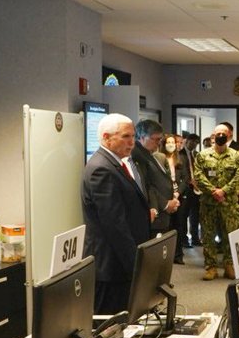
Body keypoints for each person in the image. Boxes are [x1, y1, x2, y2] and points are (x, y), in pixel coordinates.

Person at [81, 113, 150, 314]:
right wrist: (136, 265)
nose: (132, 142)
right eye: (126, 137)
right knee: (109, 328)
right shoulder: (101, 169)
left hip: (118, 264)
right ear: (106, 137)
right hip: (111, 266)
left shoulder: (114, 164)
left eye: (133, 136)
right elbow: (114, 225)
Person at [193, 123, 239, 280]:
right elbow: (198, 176)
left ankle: (229, 265)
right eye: (218, 133)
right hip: (208, 204)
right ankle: (211, 267)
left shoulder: (236, 156)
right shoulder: (203, 155)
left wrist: (224, 191)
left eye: (224, 133)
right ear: (213, 136)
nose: (221, 136)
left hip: (228, 204)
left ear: (229, 136)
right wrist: (213, 191)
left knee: (230, 235)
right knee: (208, 235)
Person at [131, 119, 177, 238]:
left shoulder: (148, 154)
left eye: (160, 140)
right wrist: (165, 204)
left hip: (161, 215)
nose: (158, 143)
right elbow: (148, 185)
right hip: (155, 214)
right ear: (141, 137)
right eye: (155, 139)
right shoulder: (137, 155)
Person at [154, 133, 191, 263]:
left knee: (179, 225)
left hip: (179, 196)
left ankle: (178, 255)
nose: (171, 145)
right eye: (168, 142)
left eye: (173, 142)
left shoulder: (181, 158)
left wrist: (177, 193)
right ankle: (167, 255)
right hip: (165, 197)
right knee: (166, 226)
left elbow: (186, 179)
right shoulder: (158, 158)